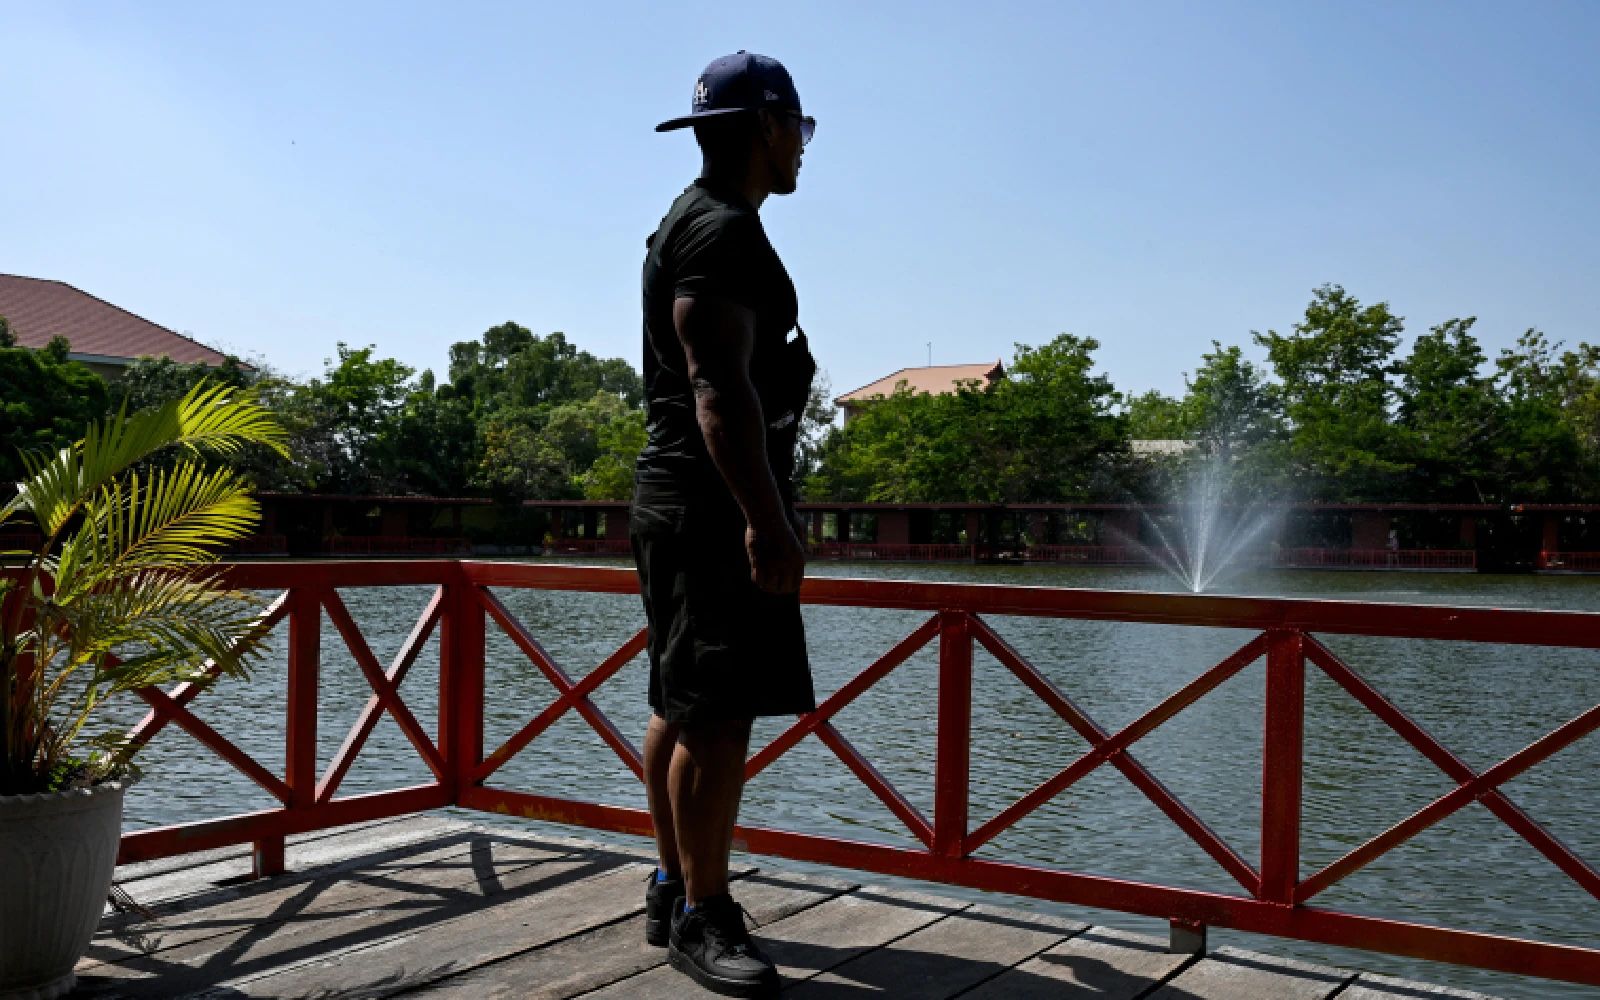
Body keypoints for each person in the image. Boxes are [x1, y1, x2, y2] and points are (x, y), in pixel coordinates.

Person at [630, 51, 817, 998]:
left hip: (684, 497)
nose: (803, 148)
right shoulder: (722, 231)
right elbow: (718, 388)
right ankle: (705, 914)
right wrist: (766, 520)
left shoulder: (691, 218)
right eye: (800, 129)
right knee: (717, 715)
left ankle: (673, 888)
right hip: (710, 505)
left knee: (683, 703)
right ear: (767, 127)